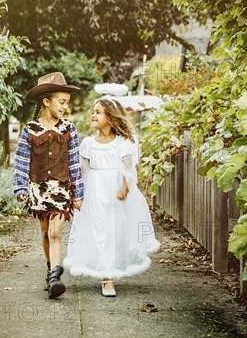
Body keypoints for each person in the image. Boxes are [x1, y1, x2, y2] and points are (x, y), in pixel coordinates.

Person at [64, 96, 160, 297]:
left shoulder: (123, 142)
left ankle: (111, 273)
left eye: (98, 112)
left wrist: (125, 188)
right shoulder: (89, 143)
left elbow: (128, 168)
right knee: (99, 231)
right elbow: (82, 171)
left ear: (111, 116)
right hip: (94, 191)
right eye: (93, 111)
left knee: (113, 231)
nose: (93, 115)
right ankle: (105, 274)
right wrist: (76, 193)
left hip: (115, 192)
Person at [13, 72, 84, 299]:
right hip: (39, 189)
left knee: (55, 233)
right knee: (45, 233)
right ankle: (50, 270)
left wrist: (79, 193)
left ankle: (55, 276)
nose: (65, 107)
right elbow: (22, 161)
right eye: (61, 102)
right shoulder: (30, 130)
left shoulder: (69, 129)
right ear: (46, 101)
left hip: (62, 188)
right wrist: (20, 188)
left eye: (66, 103)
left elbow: (74, 162)